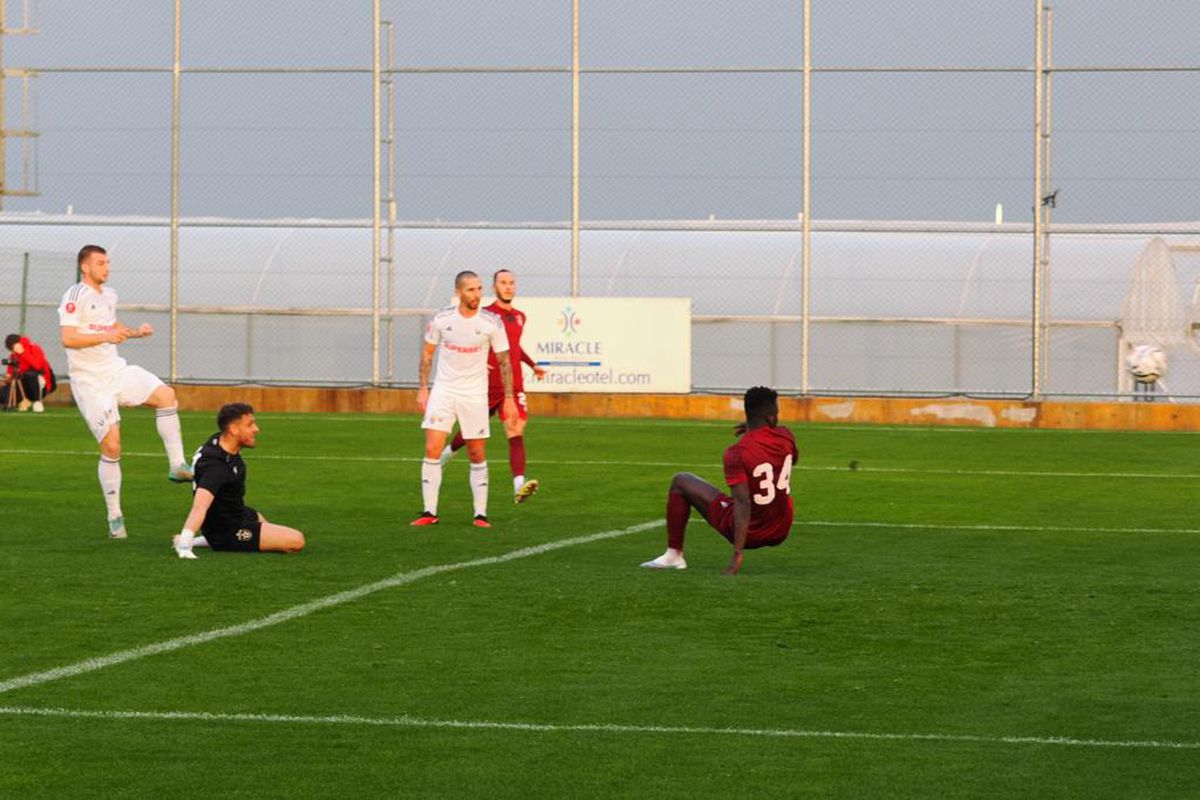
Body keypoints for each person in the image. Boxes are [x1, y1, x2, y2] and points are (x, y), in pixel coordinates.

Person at [58, 244, 193, 540]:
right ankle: (115, 517)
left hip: (116, 370)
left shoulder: (109, 295)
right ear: (85, 267)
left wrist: (134, 332)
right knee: (112, 447)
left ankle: (177, 466)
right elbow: (68, 338)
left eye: (108, 262)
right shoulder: (74, 296)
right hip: (90, 382)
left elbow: (111, 325)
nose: (107, 267)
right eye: (101, 263)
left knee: (166, 396)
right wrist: (106, 335)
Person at [641, 386, 798, 575]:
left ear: (748, 415)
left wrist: (737, 553)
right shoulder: (786, 436)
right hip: (781, 529)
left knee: (681, 481)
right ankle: (673, 556)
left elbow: (743, 502)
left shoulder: (736, 453)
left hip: (752, 534)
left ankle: (674, 555)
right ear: (771, 417)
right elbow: (792, 460)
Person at [413, 270, 517, 528]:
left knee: (476, 451)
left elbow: (505, 361)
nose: (477, 294)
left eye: (480, 289)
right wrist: (423, 388)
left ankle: (480, 514)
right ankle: (429, 511)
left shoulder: (491, 322)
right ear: (459, 292)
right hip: (444, 391)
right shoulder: (442, 319)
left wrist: (509, 398)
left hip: (474, 394)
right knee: (432, 448)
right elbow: (427, 355)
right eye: (471, 289)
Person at [439, 268, 546, 503]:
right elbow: (471, 342)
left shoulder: (520, 316)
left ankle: (519, 484)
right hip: (485, 385)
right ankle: (447, 454)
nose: (508, 286)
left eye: (512, 283)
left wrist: (532, 365)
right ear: (494, 287)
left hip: (513, 386)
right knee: (472, 431)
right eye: (503, 283)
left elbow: (513, 348)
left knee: (515, 429)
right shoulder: (485, 315)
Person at [173, 402, 305, 559]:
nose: (256, 429)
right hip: (228, 530)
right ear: (234, 430)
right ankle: (199, 541)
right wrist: (184, 546)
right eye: (250, 425)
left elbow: (203, 472)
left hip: (237, 512)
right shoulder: (217, 466)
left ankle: (203, 540)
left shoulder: (217, 442)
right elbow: (199, 507)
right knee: (296, 541)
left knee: (261, 521)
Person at [3, 333, 56, 412]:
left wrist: (23, 353)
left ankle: (37, 401)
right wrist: (6, 379)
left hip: (40, 384)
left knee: (30, 374)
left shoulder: (34, 348)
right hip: (23, 386)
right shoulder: (13, 356)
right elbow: (10, 374)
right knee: (4, 390)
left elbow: (38, 365)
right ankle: (16, 402)